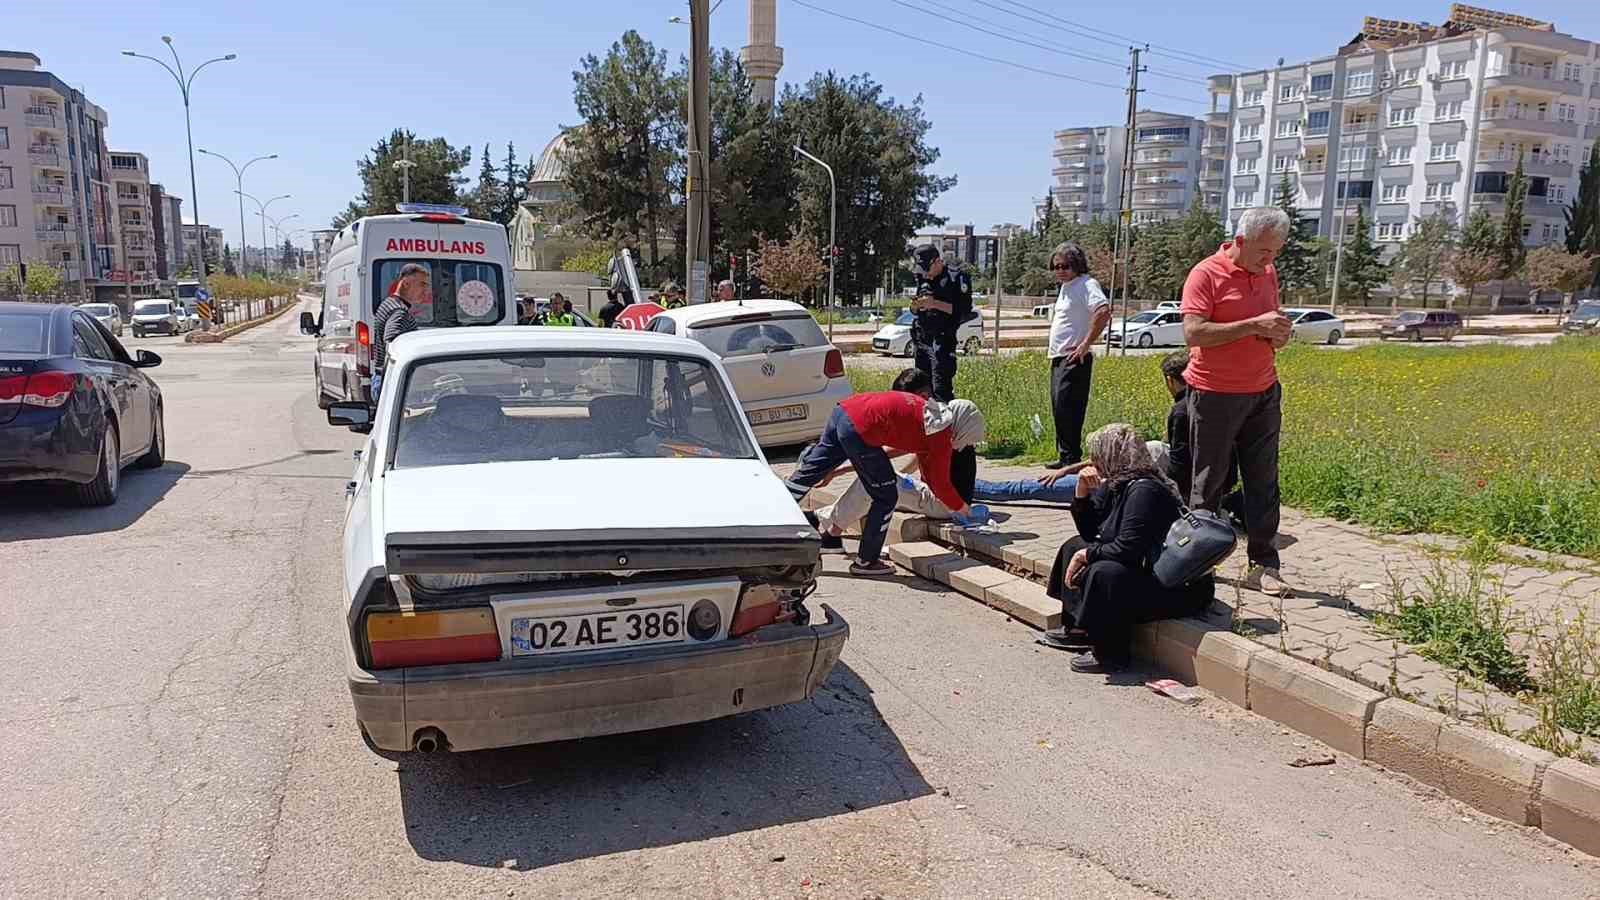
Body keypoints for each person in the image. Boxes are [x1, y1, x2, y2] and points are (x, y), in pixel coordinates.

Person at [1181, 207, 1295, 596]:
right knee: (1208, 482)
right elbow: (1194, 333)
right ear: (1240, 241)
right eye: (1264, 251)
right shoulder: (1205, 274)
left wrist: (1278, 333)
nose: (1270, 260)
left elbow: (1270, 322)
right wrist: (1253, 326)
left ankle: (1264, 565)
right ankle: (1194, 565)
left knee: (1264, 481)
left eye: (1276, 252)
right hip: (1214, 393)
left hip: (1263, 390)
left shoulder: (1268, 273)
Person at [1040, 424, 1214, 673]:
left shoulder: (1145, 489)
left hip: (1174, 588)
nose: (1095, 462)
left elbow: (1128, 549)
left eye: (1099, 454)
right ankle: (1079, 628)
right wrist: (1081, 494)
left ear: (1114, 455)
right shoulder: (1118, 483)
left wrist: (1087, 555)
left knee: (1104, 572)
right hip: (1143, 568)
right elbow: (1090, 533)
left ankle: (1111, 654)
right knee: (1073, 545)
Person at [786, 392, 972, 577]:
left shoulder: (929, 416)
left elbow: (926, 464)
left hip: (843, 411)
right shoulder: (941, 432)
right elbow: (940, 483)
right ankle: (867, 562)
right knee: (886, 496)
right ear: (964, 426)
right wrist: (960, 506)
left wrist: (835, 470)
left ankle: (763, 520)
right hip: (860, 429)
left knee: (806, 476)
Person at [1044, 242, 1112, 470]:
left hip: (1074, 358)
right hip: (1058, 357)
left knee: (1068, 408)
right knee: (1059, 408)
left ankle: (1072, 458)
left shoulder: (1086, 284)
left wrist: (1084, 345)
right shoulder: (1066, 287)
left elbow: (1103, 312)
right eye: (1056, 267)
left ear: (1077, 264)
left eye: (1065, 266)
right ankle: (1065, 455)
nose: (1060, 271)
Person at [909, 244, 972, 402]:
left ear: (937, 262)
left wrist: (934, 304)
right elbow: (916, 309)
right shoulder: (922, 278)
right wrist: (916, 306)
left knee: (940, 390)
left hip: (942, 341)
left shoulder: (956, 278)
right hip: (922, 339)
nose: (925, 274)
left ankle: (946, 424)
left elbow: (964, 310)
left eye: (926, 269)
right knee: (920, 388)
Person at [371, 263, 426, 399]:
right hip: (391, 383)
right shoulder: (399, 311)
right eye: (422, 284)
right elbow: (392, 342)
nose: (426, 289)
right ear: (406, 283)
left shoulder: (388, 303)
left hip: (383, 379)